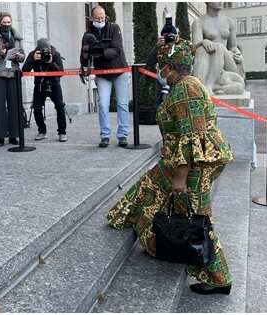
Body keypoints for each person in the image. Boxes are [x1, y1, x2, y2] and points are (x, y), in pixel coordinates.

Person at [106, 40, 234, 295]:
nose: (160, 73)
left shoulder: (186, 89)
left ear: (171, 67)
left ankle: (220, 278)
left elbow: (192, 137)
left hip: (195, 163)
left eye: (162, 67)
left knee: (198, 215)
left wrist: (180, 177)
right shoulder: (184, 85)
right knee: (151, 184)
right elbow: (181, 131)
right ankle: (153, 239)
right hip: (187, 158)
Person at [80, 6, 130, 148]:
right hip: (102, 74)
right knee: (102, 104)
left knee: (122, 104)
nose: (100, 20)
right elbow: (84, 54)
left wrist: (99, 53)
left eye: (102, 18)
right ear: (92, 18)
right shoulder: (88, 34)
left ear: (105, 17)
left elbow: (116, 49)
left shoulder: (114, 28)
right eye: (97, 18)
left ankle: (123, 135)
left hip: (120, 70)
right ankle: (105, 136)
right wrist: (84, 62)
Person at [0, 12, 25, 147]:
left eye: (9, 22)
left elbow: (23, 55)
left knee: (14, 105)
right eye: (4, 22)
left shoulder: (16, 37)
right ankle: (0, 136)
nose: (7, 24)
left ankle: (14, 135)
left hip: (13, 73)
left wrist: (18, 56)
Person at [191, 2, 245, 95]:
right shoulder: (199, 22)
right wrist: (203, 42)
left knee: (219, 46)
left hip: (227, 62)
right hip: (209, 64)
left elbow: (233, 47)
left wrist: (238, 55)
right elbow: (195, 46)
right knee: (239, 87)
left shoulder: (229, 22)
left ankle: (209, 85)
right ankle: (217, 88)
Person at [22, 38, 67, 142]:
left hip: (54, 84)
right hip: (40, 85)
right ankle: (42, 131)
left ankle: (62, 132)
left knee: (60, 107)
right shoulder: (33, 54)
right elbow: (25, 70)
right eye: (42, 49)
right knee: (37, 108)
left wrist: (51, 62)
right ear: (38, 48)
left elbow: (61, 72)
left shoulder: (55, 54)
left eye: (46, 49)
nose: (44, 52)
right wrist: (33, 59)